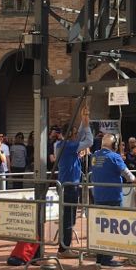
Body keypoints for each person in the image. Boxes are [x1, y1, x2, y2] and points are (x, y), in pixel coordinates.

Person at [89, 133, 136, 268]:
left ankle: (100, 258)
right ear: (114, 145)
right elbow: (128, 175)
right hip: (112, 197)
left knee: (100, 229)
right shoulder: (114, 157)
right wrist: (134, 181)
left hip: (98, 196)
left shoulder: (95, 156)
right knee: (111, 229)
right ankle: (107, 259)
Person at [54, 107, 93, 256]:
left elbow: (82, 136)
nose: (77, 135)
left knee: (69, 217)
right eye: (75, 133)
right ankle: (64, 248)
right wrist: (87, 124)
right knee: (68, 218)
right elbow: (88, 140)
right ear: (70, 134)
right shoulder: (68, 146)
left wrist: (84, 119)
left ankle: (64, 246)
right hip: (69, 185)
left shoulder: (63, 145)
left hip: (69, 184)